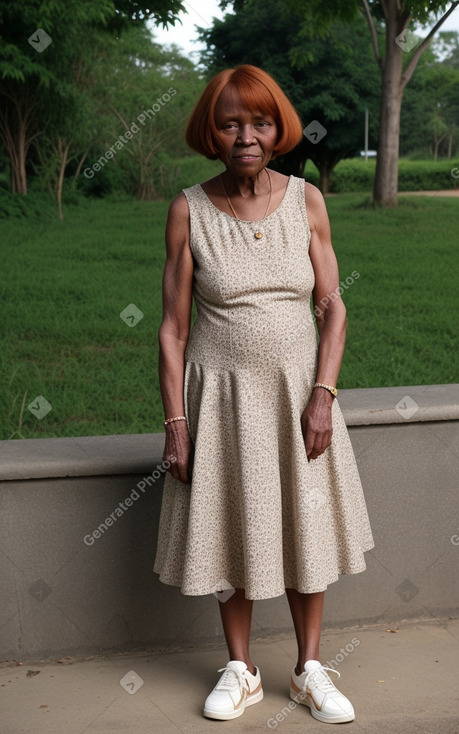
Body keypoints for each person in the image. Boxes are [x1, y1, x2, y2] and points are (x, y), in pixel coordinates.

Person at [154, 64, 374, 725]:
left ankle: (308, 670)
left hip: (297, 396)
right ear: (210, 133)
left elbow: (332, 307)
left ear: (277, 129)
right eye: (229, 123)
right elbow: (171, 328)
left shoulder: (306, 200)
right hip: (219, 400)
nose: (244, 134)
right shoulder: (186, 210)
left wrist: (323, 395)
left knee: (305, 529)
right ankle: (241, 670)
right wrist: (175, 422)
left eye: (258, 121)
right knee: (230, 528)